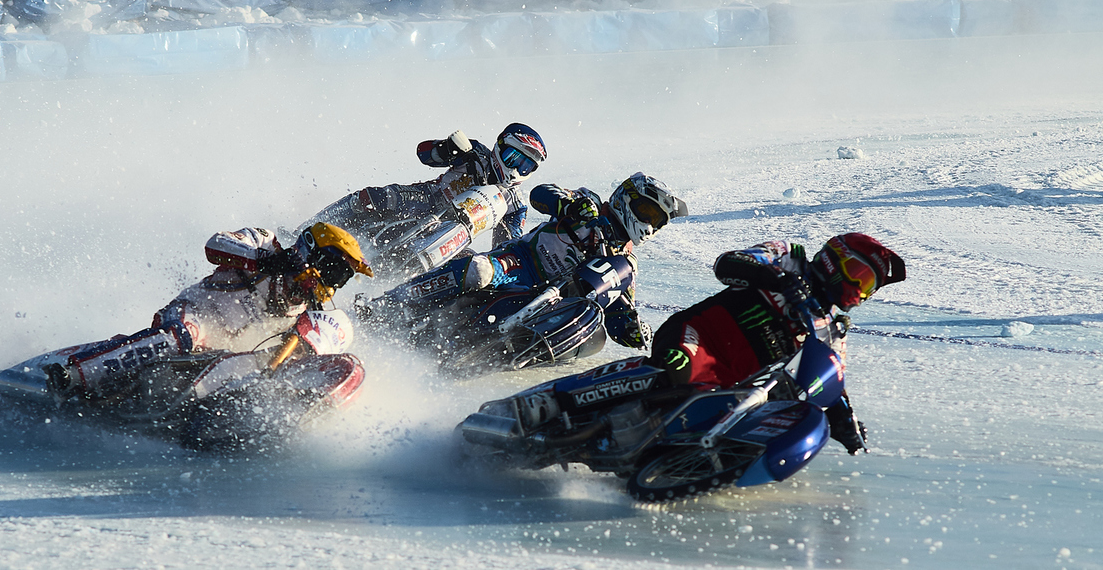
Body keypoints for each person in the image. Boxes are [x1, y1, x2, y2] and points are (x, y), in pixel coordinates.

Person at [45, 223, 373, 401]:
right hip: (193, 317)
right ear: (311, 251)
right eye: (332, 270)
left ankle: (246, 410)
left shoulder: (310, 312)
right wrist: (268, 261)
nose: (332, 283)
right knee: (180, 336)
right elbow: (215, 245)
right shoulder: (266, 243)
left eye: (341, 278)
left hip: (226, 357)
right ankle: (76, 373)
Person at [361, 172, 688, 349]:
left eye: (657, 219)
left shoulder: (624, 264)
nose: (649, 223)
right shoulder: (588, 203)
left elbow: (618, 305)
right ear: (626, 198)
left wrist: (631, 328)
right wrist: (568, 205)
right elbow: (542, 194)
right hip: (519, 264)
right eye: (647, 211)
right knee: (479, 269)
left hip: (549, 303)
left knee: (594, 337)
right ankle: (385, 305)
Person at [646, 233, 906, 454]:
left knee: (724, 437)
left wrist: (845, 423)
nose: (859, 290)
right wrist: (778, 279)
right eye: (859, 277)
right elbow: (727, 263)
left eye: (868, 288)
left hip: (726, 389)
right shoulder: (788, 257)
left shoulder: (831, 331)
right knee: (674, 370)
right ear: (835, 259)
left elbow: (828, 382)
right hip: (698, 337)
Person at [313, 123, 547, 247]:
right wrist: (449, 149)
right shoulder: (476, 152)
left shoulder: (516, 205)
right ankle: (309, 229)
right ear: (500, 146)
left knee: (464, 269)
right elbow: (424, 153)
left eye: (526, 166)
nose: (516, 169)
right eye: (513, 159)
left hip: (453, 233)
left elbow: (507, 246)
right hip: (426, 198)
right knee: (373, 198)